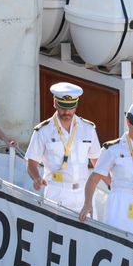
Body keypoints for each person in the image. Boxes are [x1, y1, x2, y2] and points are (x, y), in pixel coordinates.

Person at [79, 103, 133, 242]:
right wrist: (87, 202)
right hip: (120, 200)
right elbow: (94, 179)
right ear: (128, 122)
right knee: (116, 244)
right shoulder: (112, 149)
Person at [25, 82, 101, 210]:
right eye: (63, 107)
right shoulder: (43, 131)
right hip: (56, 191)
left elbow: (97, 161)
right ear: (55, 103)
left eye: (70, 107)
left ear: (76, 105)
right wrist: (37, 177)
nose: (66, 112)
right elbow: (32, 163)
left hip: (84, 192)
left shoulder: (88, 128)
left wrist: (112, 183)